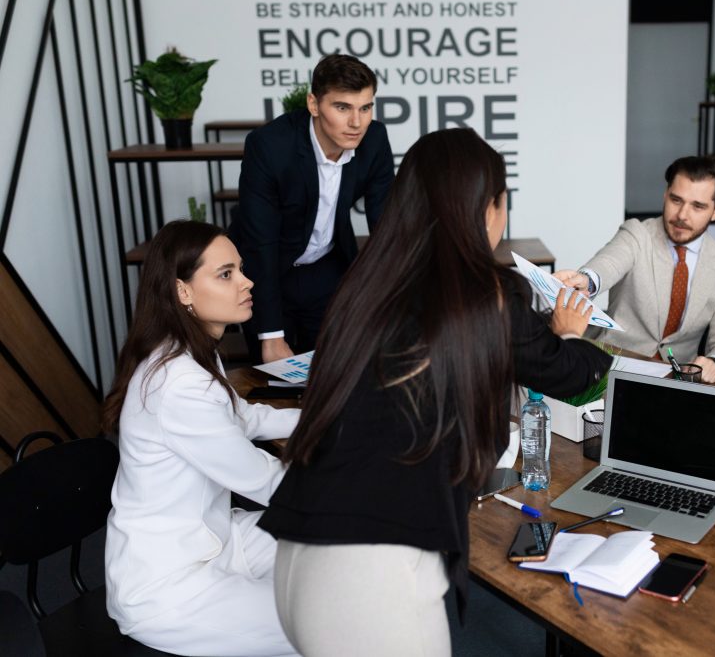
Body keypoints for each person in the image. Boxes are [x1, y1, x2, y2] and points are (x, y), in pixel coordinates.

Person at [258, 128, 612, 656]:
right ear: (489, 207)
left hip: (296, 555)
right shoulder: (485, 294)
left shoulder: (367, 283)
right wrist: (567, 333)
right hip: (370, 576)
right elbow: (575, 373)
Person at [103, 220, 299, 656]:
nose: (247, 282)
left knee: (333, 546)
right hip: (170, 584)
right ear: (183, 292)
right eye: (226, 274)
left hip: (216, 538)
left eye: (241, 269)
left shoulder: (190, 351)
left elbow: (241, 418)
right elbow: (264, 481)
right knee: (322, 621)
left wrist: (329, 416)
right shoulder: (179, 384)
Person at [229, 53, 395, 363]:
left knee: (337, 373)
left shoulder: (374, 140)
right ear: (314, 104)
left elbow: (388, 226)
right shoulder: (270, 146)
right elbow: (259, 244)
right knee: (275, 381)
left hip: (326, 267)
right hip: (269, 270)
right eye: (342, 107)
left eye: (365, 107)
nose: (356, 122)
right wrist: (271, 334)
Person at [554, 156, 715, 382]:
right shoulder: (637, 234)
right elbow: (609, 263)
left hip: (675, 379)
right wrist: (587, 280)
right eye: (676, 200)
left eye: (698, 206)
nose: (682, 215)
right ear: (665, 195)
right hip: (611, 366)